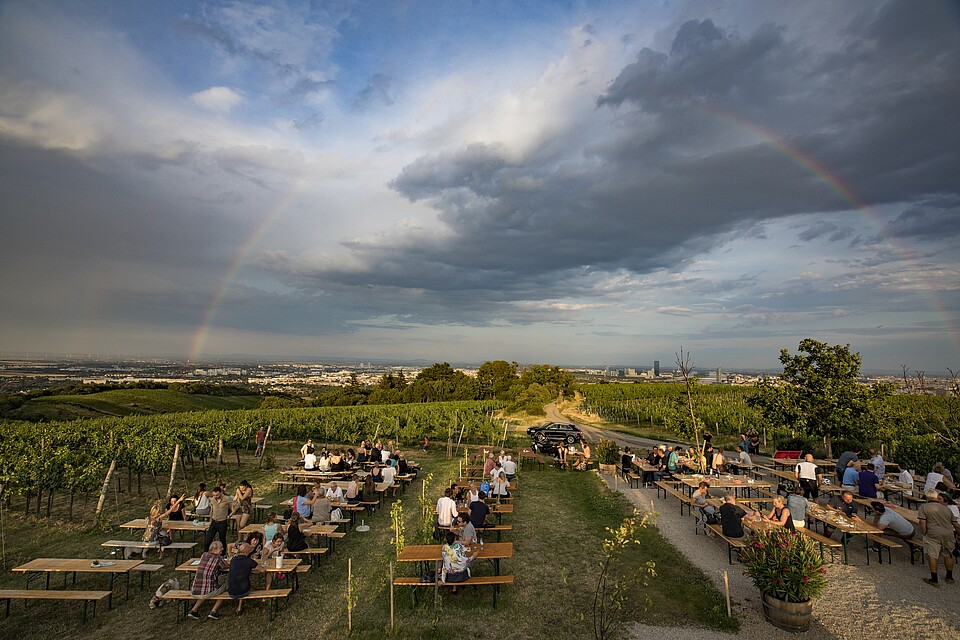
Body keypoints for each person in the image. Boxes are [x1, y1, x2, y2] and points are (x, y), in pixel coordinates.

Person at [918, 489, 957, 587]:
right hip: (948, 534)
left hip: (933, 534)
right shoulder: (946, 508)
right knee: (948, 554)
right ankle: (949, 577)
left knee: (933, 555)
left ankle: (934, 579)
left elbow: (922, 522)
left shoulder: (924, 507)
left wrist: (924, 533)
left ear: (927, 497)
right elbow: (955, 523)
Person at [187, 540, 228, 620]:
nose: (222, 549)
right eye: (221, 548)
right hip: (207, 591)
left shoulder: (204, 555)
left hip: (195, 590)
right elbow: (226, 566)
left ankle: (194, 610)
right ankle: (214, 611)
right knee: (225, 587)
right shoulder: (218, 559)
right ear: (214, 550)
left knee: (204, 590)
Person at [226, 542, 260, 614]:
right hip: (243, 591)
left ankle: (239, 608)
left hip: (231, 591)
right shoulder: (250, 561)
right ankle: (239, 607)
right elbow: (263, 570)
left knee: (240, 581)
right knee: (242, 584)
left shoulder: (233, 560)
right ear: (247, 551)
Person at [204, 486, 232, 554]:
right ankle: (205, 553)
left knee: (222, 539)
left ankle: (223, 554)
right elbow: (212, 509)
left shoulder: (227, 498)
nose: (215, 496)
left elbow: (236, 505)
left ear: (221, 493)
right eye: (214, 495)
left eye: (217, 495)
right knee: (208, 539)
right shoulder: (212, 499)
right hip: (214, 522)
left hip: (222, 522)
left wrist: (230, 514)